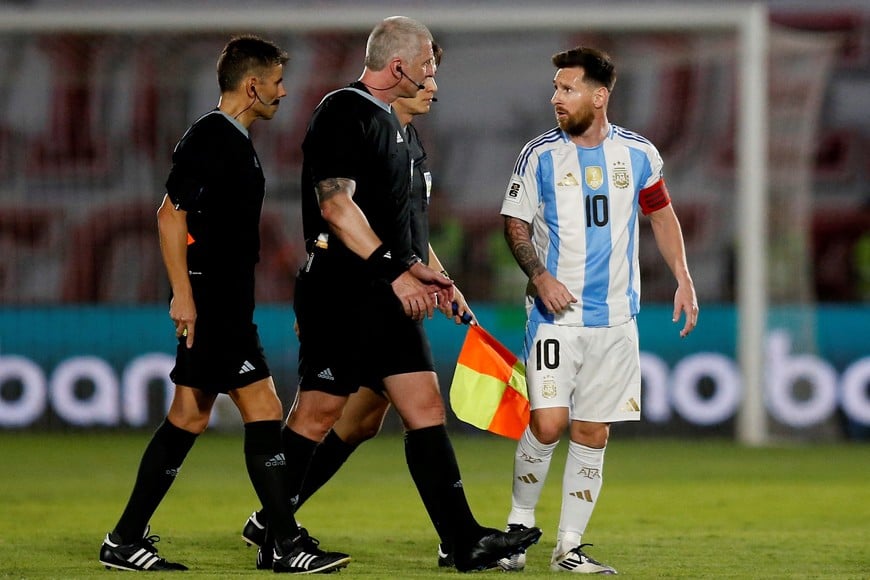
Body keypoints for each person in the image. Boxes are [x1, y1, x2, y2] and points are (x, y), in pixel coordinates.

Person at [251, 16, 541, 573]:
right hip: (342, 291)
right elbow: (336, 208)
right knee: (319, 414)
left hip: (390, 295)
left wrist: (438, 278)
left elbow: (406, 230)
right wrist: (398, 273)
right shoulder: (343, 111)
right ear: (399, 65)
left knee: (422, 407)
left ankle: (462, 541)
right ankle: (275, 534)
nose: (435, 75)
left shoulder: (404, 132)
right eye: (428, 64)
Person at [98, 35, 350, 574]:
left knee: (189, 416)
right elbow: (170, 215)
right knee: (261, 410)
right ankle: (283, 543)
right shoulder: (211, 138)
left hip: (225, 300)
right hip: (212, 301)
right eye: (278, 82)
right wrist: (185, 298)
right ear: (252, 84)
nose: (283, 92)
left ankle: (124, 538)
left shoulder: (231, 138)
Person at [498, 46, 699, 574]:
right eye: (556, 88)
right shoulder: (539, 154)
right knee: (547, 424)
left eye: (568, 89)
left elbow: (660, 215)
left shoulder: (639, 154)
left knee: (593, 433)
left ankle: (568, 546)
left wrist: (683, 277)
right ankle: (517, 530)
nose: (556, 98)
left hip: (615, 321)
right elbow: (514, 223)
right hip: (554, 319)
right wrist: (539, 276)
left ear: (599, 95)